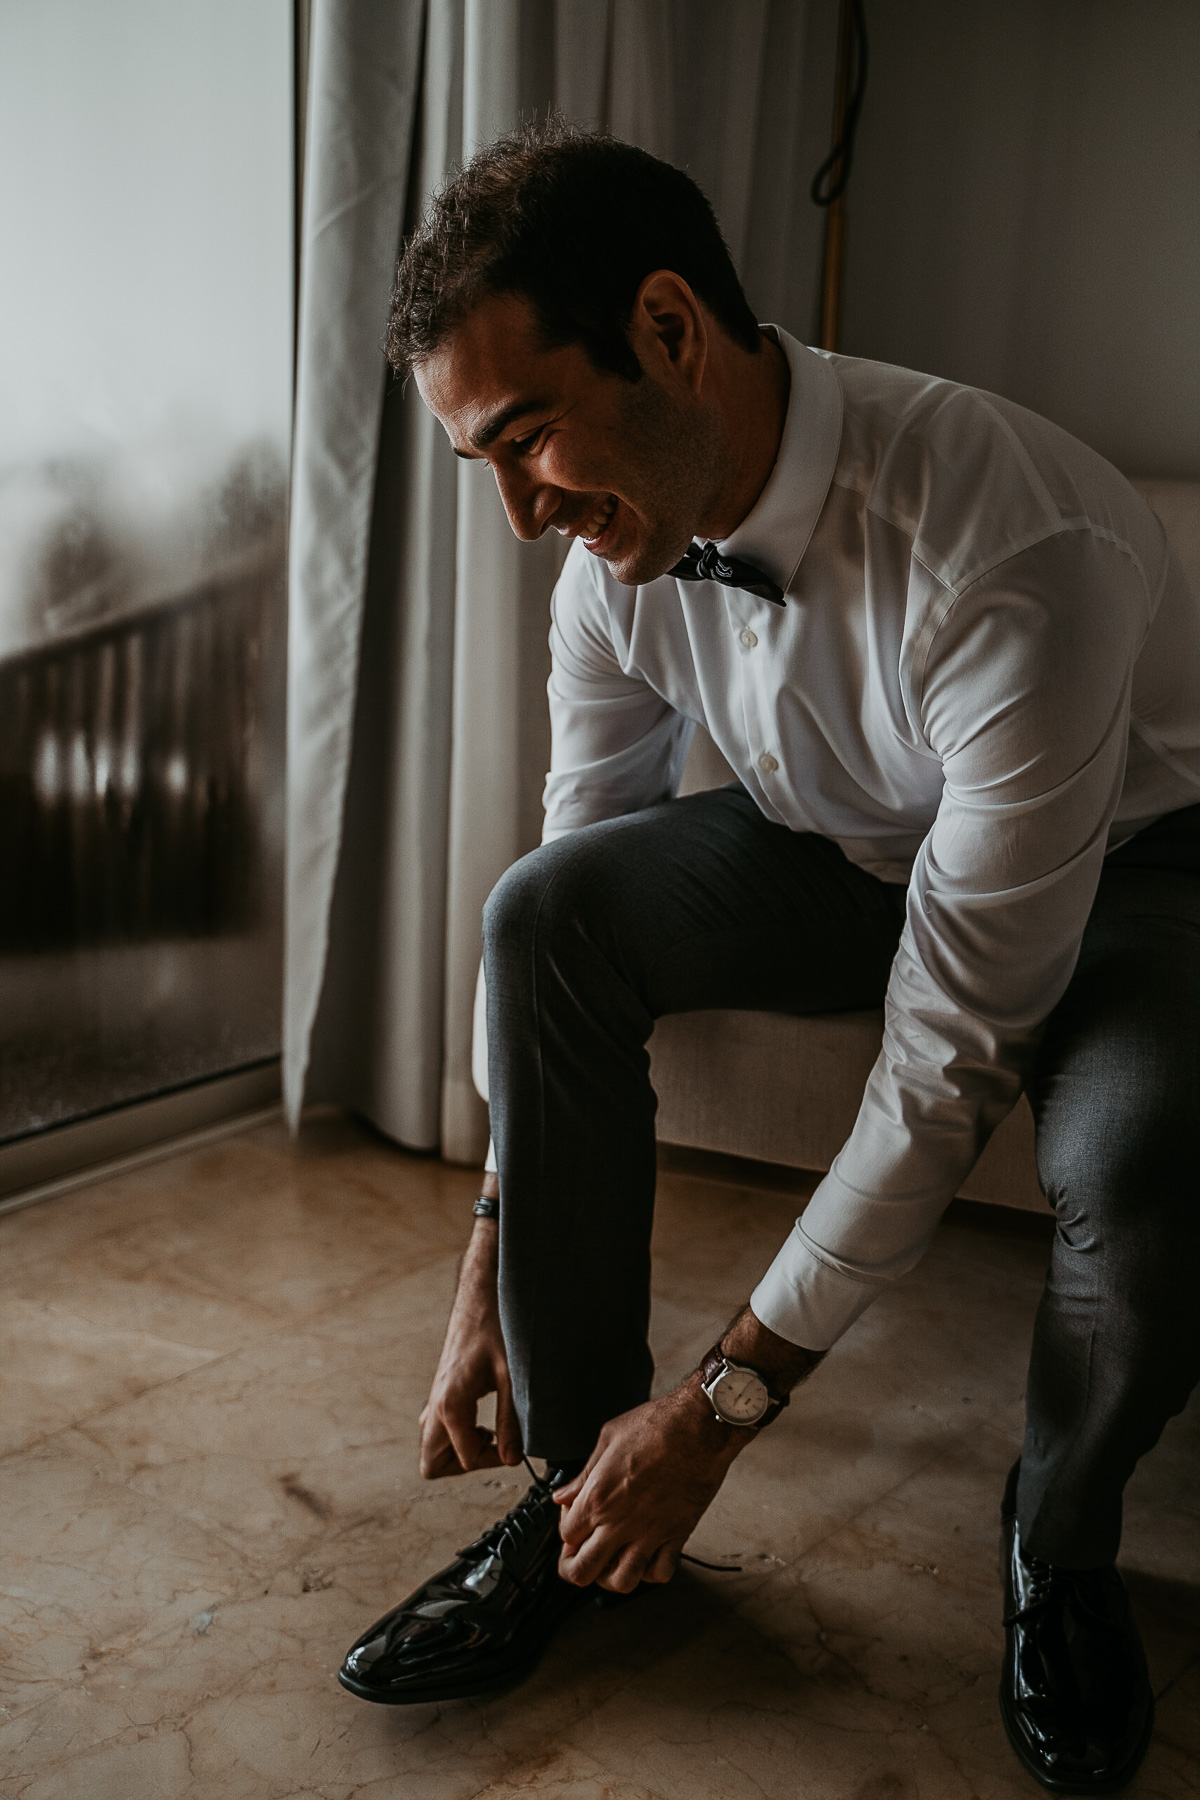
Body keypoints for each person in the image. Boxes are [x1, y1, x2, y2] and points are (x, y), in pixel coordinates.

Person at [336, 122, 1199, 1793]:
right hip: (848, 839)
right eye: (483, 469)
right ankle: (582, 1496)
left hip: (1145, 865)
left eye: (527, 440)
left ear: (671, 330)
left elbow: (948, 1059)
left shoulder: (1013, 549)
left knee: (1146, 1151)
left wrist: (719, 1408)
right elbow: (574, 858)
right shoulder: (614, 544)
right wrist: (485, 1254)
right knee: (547, 910)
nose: (521, 517)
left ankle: (1062, 1542)